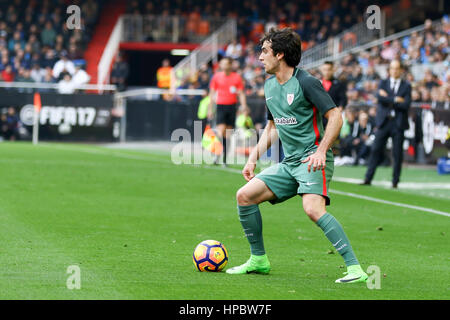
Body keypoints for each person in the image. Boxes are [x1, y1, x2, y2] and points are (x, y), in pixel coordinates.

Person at [226, 28, 368, 284]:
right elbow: (273, 127)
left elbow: (335, 116)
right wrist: (253, 158)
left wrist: (322, 151)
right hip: (289, 163)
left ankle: (355, 269)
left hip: (312, 160)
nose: (260, 57)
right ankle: (258, 260)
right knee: (244, 196)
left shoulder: (306, 82)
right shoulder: (270, 85)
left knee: (312, 208)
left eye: (265, 51)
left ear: (280, 55)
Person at [362, 59, 411, 188]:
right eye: (392, 68)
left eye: (396, 68)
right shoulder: (383, 82)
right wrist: (395, 99)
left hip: (398, 124)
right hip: (384, 122)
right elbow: (380, 98)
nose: (394, 71)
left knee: (397, 153)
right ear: (389, 70)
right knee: (375, 149)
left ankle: (395, 181)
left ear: (401, 70)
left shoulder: (406, 85)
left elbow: (406, 104)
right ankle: (368, 178)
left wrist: (388, 98)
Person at [207, 57, 249, 165]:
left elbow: (240, 93)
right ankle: (217, 154)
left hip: (232, 106)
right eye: (222, 64)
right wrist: (210, 108)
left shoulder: (236, 77)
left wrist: (244, 105)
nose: (223, 65)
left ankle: (225, 159)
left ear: (230, 65)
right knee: (220, 131)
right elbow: (212, 93)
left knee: (228, 134)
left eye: (225, 63)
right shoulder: (216, 77)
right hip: (220, 106)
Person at [319, 61, 347, 127]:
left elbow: (343, 99)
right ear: (321, 70)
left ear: (333, 70)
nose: (327, 72)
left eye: (329, 70)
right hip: (319, 117)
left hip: (333, 117)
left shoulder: (338, 84)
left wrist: (338, 111)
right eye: (325, 70)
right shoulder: (317, 83)